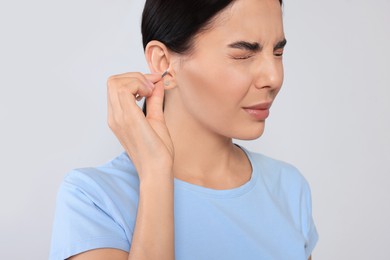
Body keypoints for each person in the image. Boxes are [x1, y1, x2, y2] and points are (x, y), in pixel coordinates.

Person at [49, 0, 319, 259]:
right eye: (243, 55)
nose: (273, 77)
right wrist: (156, 174)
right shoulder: (94, 199)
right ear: (164, 63)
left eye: (278, 53)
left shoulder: (288, 187)